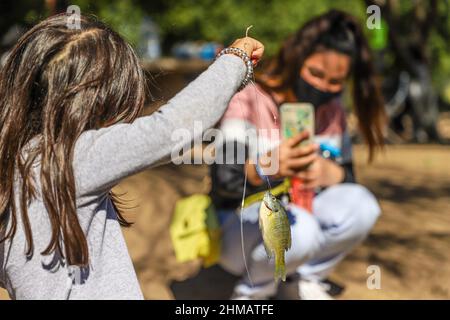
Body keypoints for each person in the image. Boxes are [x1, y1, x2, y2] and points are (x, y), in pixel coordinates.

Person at [0, 14, 264, 299]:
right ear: (97, 101)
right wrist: (236, 59)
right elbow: (173, 127)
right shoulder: (69, 158)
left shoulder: (13, 161)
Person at [210, 10, 385, 300]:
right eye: (315, 74)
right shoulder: (249, 96)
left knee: (363, 205)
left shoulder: (334, 112)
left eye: (335, 82)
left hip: (301, 218)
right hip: (238, 229)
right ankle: (253, 291)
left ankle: (304, 278)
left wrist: (332, 173)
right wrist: (267, 167)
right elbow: (224, 181)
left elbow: (349, 177)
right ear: (295, 59)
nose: (323, 88)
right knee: (298, 227)